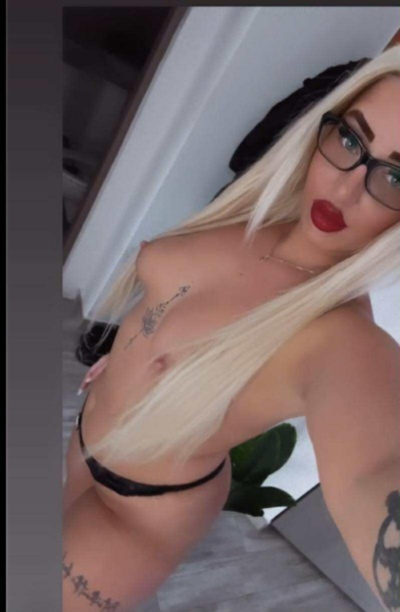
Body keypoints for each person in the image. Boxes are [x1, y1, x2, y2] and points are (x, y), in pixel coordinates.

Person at [63, 45, 400, 611]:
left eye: (394, 177)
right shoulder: (257, 209)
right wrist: (131, 358)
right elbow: (176, 302)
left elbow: (375, 471)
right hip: (84, 437)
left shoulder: (339, 336)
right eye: (350, 141)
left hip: (137, 509)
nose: (344, 188)